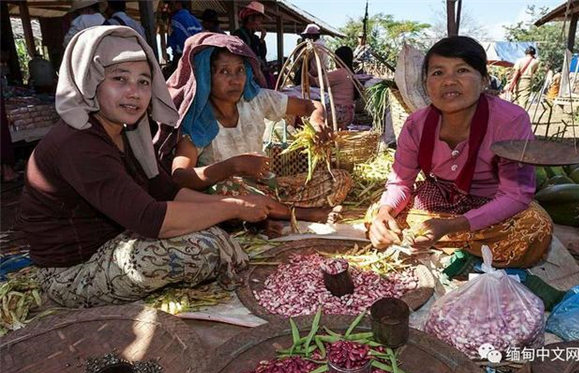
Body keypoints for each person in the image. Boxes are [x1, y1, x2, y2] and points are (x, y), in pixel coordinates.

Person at [18, 26, 276, 308]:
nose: (135, 93)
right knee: (202, 249)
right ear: (90, 80)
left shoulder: (127, 131)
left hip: (112, 243)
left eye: (143, 82)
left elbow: (167, 191)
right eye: (119, 79)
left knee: (212, 229)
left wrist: (234, 203)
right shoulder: (78, 142)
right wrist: (234, 208)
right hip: (70, 273)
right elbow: (150, 219)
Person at [367, 36, 552, 268]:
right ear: (426, 84)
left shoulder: (511, 120)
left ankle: (441, 240)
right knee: (377, 214)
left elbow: (515, 194)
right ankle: (464, 246)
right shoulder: (416, 124)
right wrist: (385, 213)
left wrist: (452, 226)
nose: (449, 81)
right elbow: (401, 182)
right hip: (438, 199)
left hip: (491, 202)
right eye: (437, 73)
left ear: (484, 80)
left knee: (535, 227)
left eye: (462, 70)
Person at [155, 33, 350, 224]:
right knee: (227, 189)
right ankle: (299, 214)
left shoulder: (256, 100)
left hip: (266, 187)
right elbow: (180, 176)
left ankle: (271, 214)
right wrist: (233, 165)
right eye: (224, 71)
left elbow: (311, 106)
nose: (235, 80)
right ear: (206, 76)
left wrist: (317, 121)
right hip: (233, 197)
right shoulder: (197, 121)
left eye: (240, 70)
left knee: (339, 179)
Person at [310, 46, 357, 129]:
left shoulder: (339, 73)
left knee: (313, 111)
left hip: (338, 113)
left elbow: (315, 82)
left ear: (339, 59)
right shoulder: (350, 72)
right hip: (349, 113)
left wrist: (306, 72)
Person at [166, 0, 203, 67]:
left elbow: (183, 41)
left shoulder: (176, 19)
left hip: (183, 57)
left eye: (171, 3)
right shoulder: (195, 20)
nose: (169, 6)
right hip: (198, 57)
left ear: (179, 3)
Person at [232, 1, 267, 66]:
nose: (259, 24)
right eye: (258, 20)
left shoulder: (255, 38)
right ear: (250, 19)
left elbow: (262, 55)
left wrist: (262, 39)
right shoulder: (238, 35)